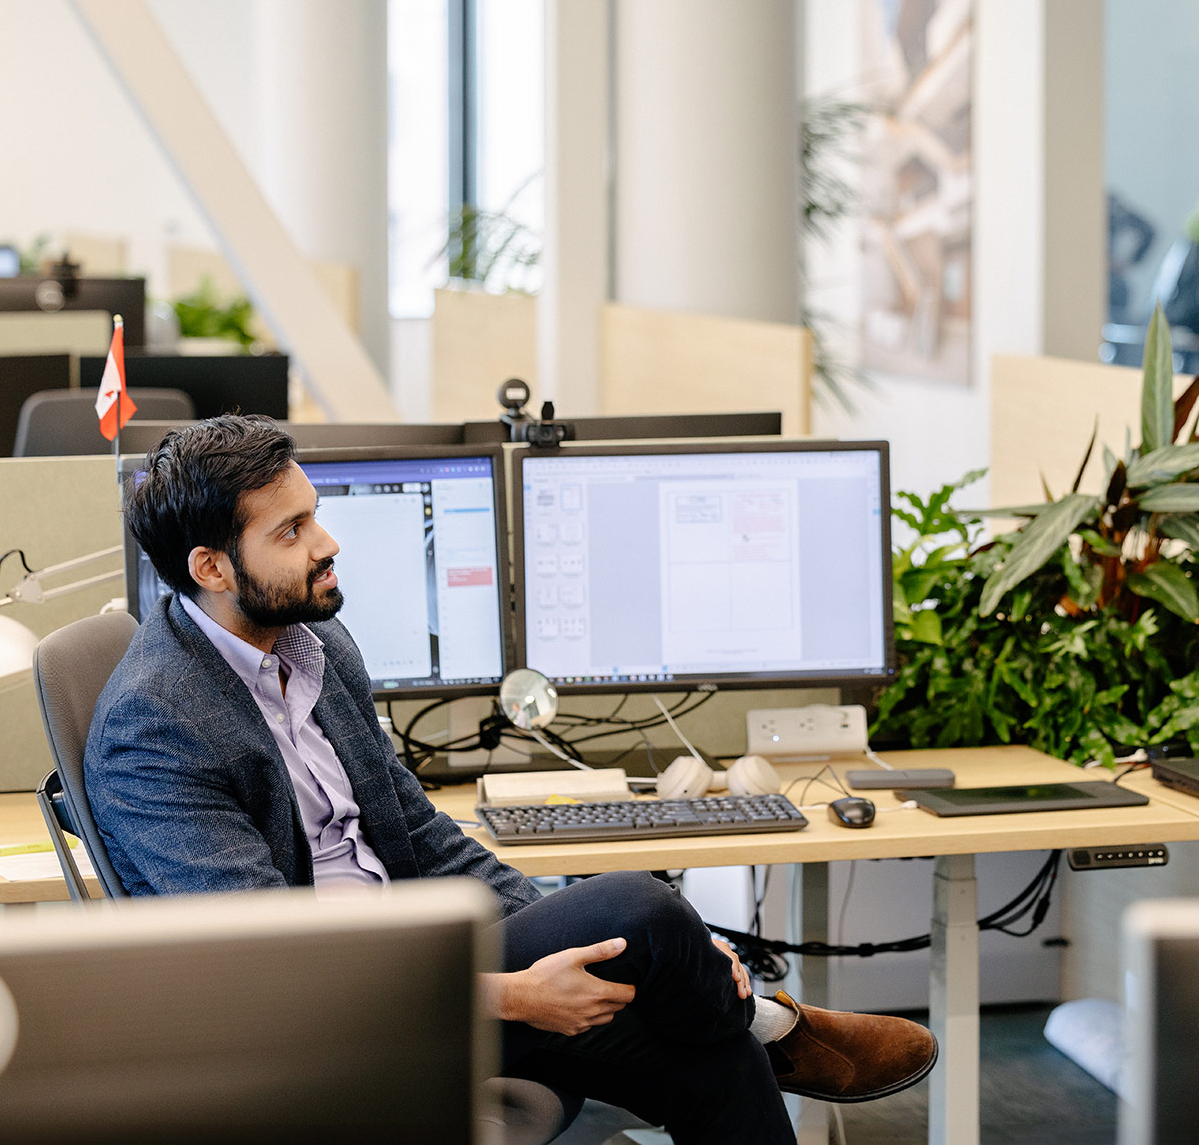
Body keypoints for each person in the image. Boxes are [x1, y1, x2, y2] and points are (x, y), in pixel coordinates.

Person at [86, 415, 936, 1141]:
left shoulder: (314, 646)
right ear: (211, 569)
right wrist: (512, 996)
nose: (327, 542)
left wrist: (604, 954)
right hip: (328, 1030)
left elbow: (420, 836)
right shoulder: (155, 724)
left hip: (424, 958)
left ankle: (747, 1022)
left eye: (315, 516)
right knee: (641, 906)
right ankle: (775, 1026)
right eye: (291, 532)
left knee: (705, 1052)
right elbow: (276, 965)